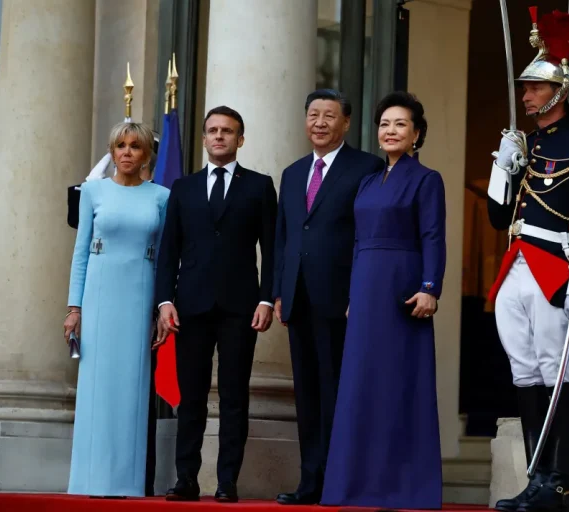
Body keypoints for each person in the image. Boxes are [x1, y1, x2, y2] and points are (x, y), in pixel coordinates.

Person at [486, 9, 569, 512]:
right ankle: (537, 478)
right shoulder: (528, 144)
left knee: (555, 372)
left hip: (554, 265)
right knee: (524, 372)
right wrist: (502, 167)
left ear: (559, 92)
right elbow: (498, 217)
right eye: (526, 88)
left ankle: (558, 484)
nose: (526, 96)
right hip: (514, 262)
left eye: (535, 88)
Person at [320, 91, 446, 510]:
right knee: (361, 386)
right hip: (367, 290)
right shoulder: (369, 181)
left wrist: (430, 287)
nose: (390, 131)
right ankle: (355, 486)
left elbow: (432, 236)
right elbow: (358, 242)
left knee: (399, 385)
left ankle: (405, 487)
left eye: (400, 124)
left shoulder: (427, 179)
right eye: (384, 124)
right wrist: (354, 294)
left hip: (403, 290)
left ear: (417, 133)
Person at [155, 106, 277, 503]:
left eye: (228, 131)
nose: (219, 136)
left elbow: (272, 249)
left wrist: (266, 299)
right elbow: (168, 250)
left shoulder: (259, 186)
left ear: (240, 139)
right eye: (213, 131)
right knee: (190, 396)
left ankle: (227, 481)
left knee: (234, 396)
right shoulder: (183, 188)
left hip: (241, 306)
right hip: (189, 306)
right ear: (204, 139)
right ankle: (186, 479)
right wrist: (164, 302)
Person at [273, 89, 384, 505]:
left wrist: (362, 292)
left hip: (343, 300)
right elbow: (285, 238)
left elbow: (366, 235)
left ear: (347, 122)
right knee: (308, 394)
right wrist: (280, 292)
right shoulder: (292, 172)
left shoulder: (367, 168)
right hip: (299, 299)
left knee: (339, 391)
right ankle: (310, 481)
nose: (320, 122)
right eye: (313, 115)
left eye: (329, 115)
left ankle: (342, 480)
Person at [64, 122, 170, 497]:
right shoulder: (92, 191)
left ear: (146, 155)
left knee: (132, 386)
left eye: (135, 147)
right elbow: (80, 255)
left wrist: (161, 307)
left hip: (139, 293)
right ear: (111, 151)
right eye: (120, 146)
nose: (126, 152)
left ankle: (127, 482)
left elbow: (164, 259)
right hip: (98, 293)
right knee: (97, 386)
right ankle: (89, 480)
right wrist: (74, 308)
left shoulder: (162, 196)